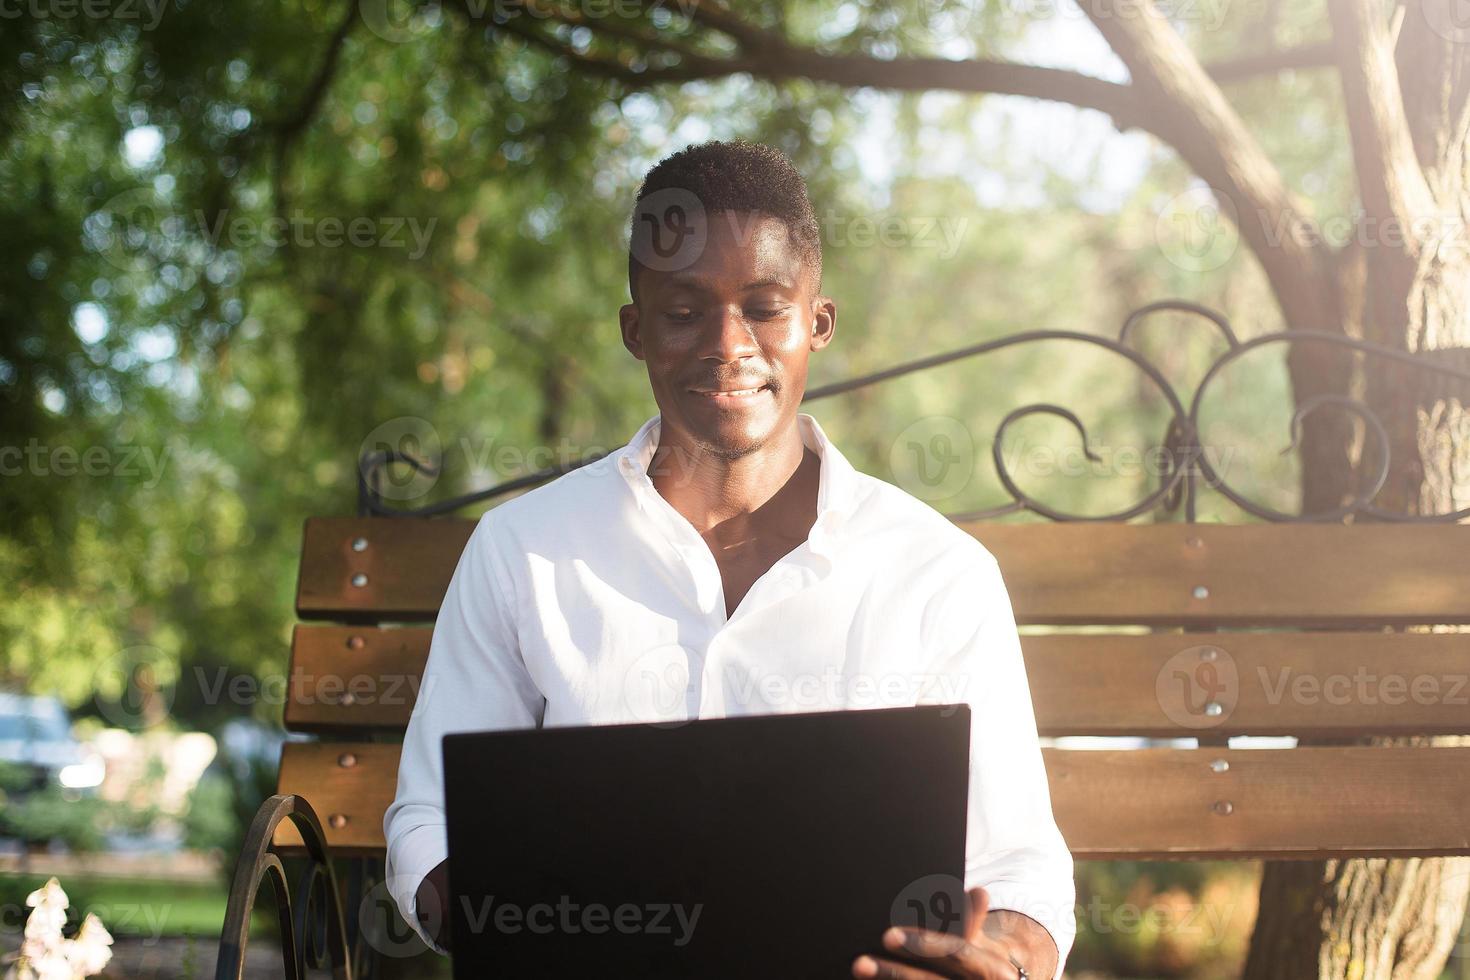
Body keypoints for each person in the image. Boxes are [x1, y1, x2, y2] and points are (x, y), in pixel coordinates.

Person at [383, 140, 1075, 980]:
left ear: (817, 323)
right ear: (636, 331)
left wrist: (997, 959)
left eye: (764, 306)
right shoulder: (522, 552)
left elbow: (1021, 873)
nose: (727, 344)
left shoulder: (936, 574)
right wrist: (526, 928)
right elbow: (429, 822)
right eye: (683, 310)